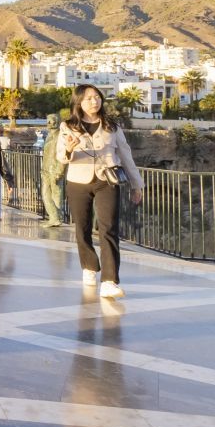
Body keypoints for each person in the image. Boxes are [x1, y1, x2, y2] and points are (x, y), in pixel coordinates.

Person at [57, 84, 144, 300]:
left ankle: (109, 281)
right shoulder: (67, 126)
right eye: (88, 98)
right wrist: (69, 148)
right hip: (78, 181)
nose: (94, 102)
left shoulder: (112, 126)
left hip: (107, 180)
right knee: (82, 227)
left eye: (97, 97)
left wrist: (137, 184)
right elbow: (61, 157)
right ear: (79, 103)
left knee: (109, 228)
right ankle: (89, 265)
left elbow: (126, 155)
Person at [40, 112, 68, 227]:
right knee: (46, 194)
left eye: (52, 120)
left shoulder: (60, 135)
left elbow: (64, 153)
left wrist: (60, 171)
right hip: (46, 169)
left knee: (56, 195)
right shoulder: (48, 135)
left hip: (55, 169)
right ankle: (54, 217)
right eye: (48, 120)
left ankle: (56, 218)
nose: (50, 122)